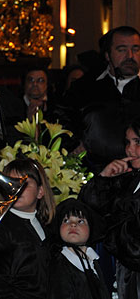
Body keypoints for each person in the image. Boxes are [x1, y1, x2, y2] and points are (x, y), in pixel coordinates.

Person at [0, 158, 56, 299]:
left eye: (24, 183)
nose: (16, 188)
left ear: (40, 192)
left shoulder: (47, 228)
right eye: (11, 182)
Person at [64, 26, 140, 171]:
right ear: (107, 55)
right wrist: (74, 147)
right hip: (94, 178)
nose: (130, 56)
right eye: (122, 49)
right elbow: (61, 124)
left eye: (136, 49)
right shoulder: (82, 89)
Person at [79, 117, 140, 299]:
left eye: (137, 142)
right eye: (128, 142)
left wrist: (108, 230)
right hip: (124, 278)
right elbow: (86, 207)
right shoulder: (129, 179)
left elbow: (135, 246)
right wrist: (104, 177)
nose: (130, 150)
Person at [47, 198, 109, 299]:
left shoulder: (93, 260)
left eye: (80, 221)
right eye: (66, 220)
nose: (73, 224)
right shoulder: (57, 262)